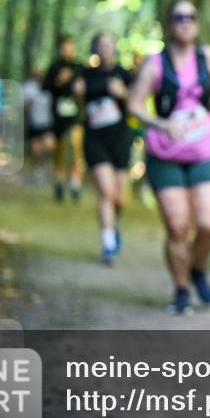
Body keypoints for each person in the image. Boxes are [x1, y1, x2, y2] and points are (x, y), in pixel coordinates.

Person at [128, 0, 210, 315]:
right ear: (169, 24)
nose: (185, 23)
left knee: (208, 226)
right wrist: (160, 123)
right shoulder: (155, 64)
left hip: (205, 152)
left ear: (198, 23)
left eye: (191, 17)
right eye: (179, 18)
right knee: (177, 226)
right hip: (166, 154)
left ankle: (198, 269)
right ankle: (181, 288)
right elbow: (134, 105)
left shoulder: (209, 58)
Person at [75, 32, 134, 265]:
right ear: (94, 49)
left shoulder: (124, 74)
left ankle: (114, 224)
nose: (106, 49)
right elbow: (79, 107)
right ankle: (108, 243)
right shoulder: (84, 74)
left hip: (119, 138)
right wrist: (78, 95)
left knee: (120, 198)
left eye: (109, 45)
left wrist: (124, 94)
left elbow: (136, 103)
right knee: (106, 191)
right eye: (101, 45)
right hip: (94, 138)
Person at [44, 35, 84, 203]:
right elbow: (45, 87)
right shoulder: (54, 67)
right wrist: (59, 82)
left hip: (76, 116)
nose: (67, 50)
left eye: (70, 46)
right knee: (59, 149)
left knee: (76, 147)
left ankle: (75, 183)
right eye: (64, 47)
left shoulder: (79, 67)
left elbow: (85, 89)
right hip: (58, 116)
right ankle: (59, 182)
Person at [22, 66, 56, 163]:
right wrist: (28, 104)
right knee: (36, 148)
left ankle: (42, 162)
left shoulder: (48, 86)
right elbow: (22, 106)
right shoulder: (28, 87)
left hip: (47, 121)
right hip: (33, 122)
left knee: (50, 144)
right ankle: (38, 165)